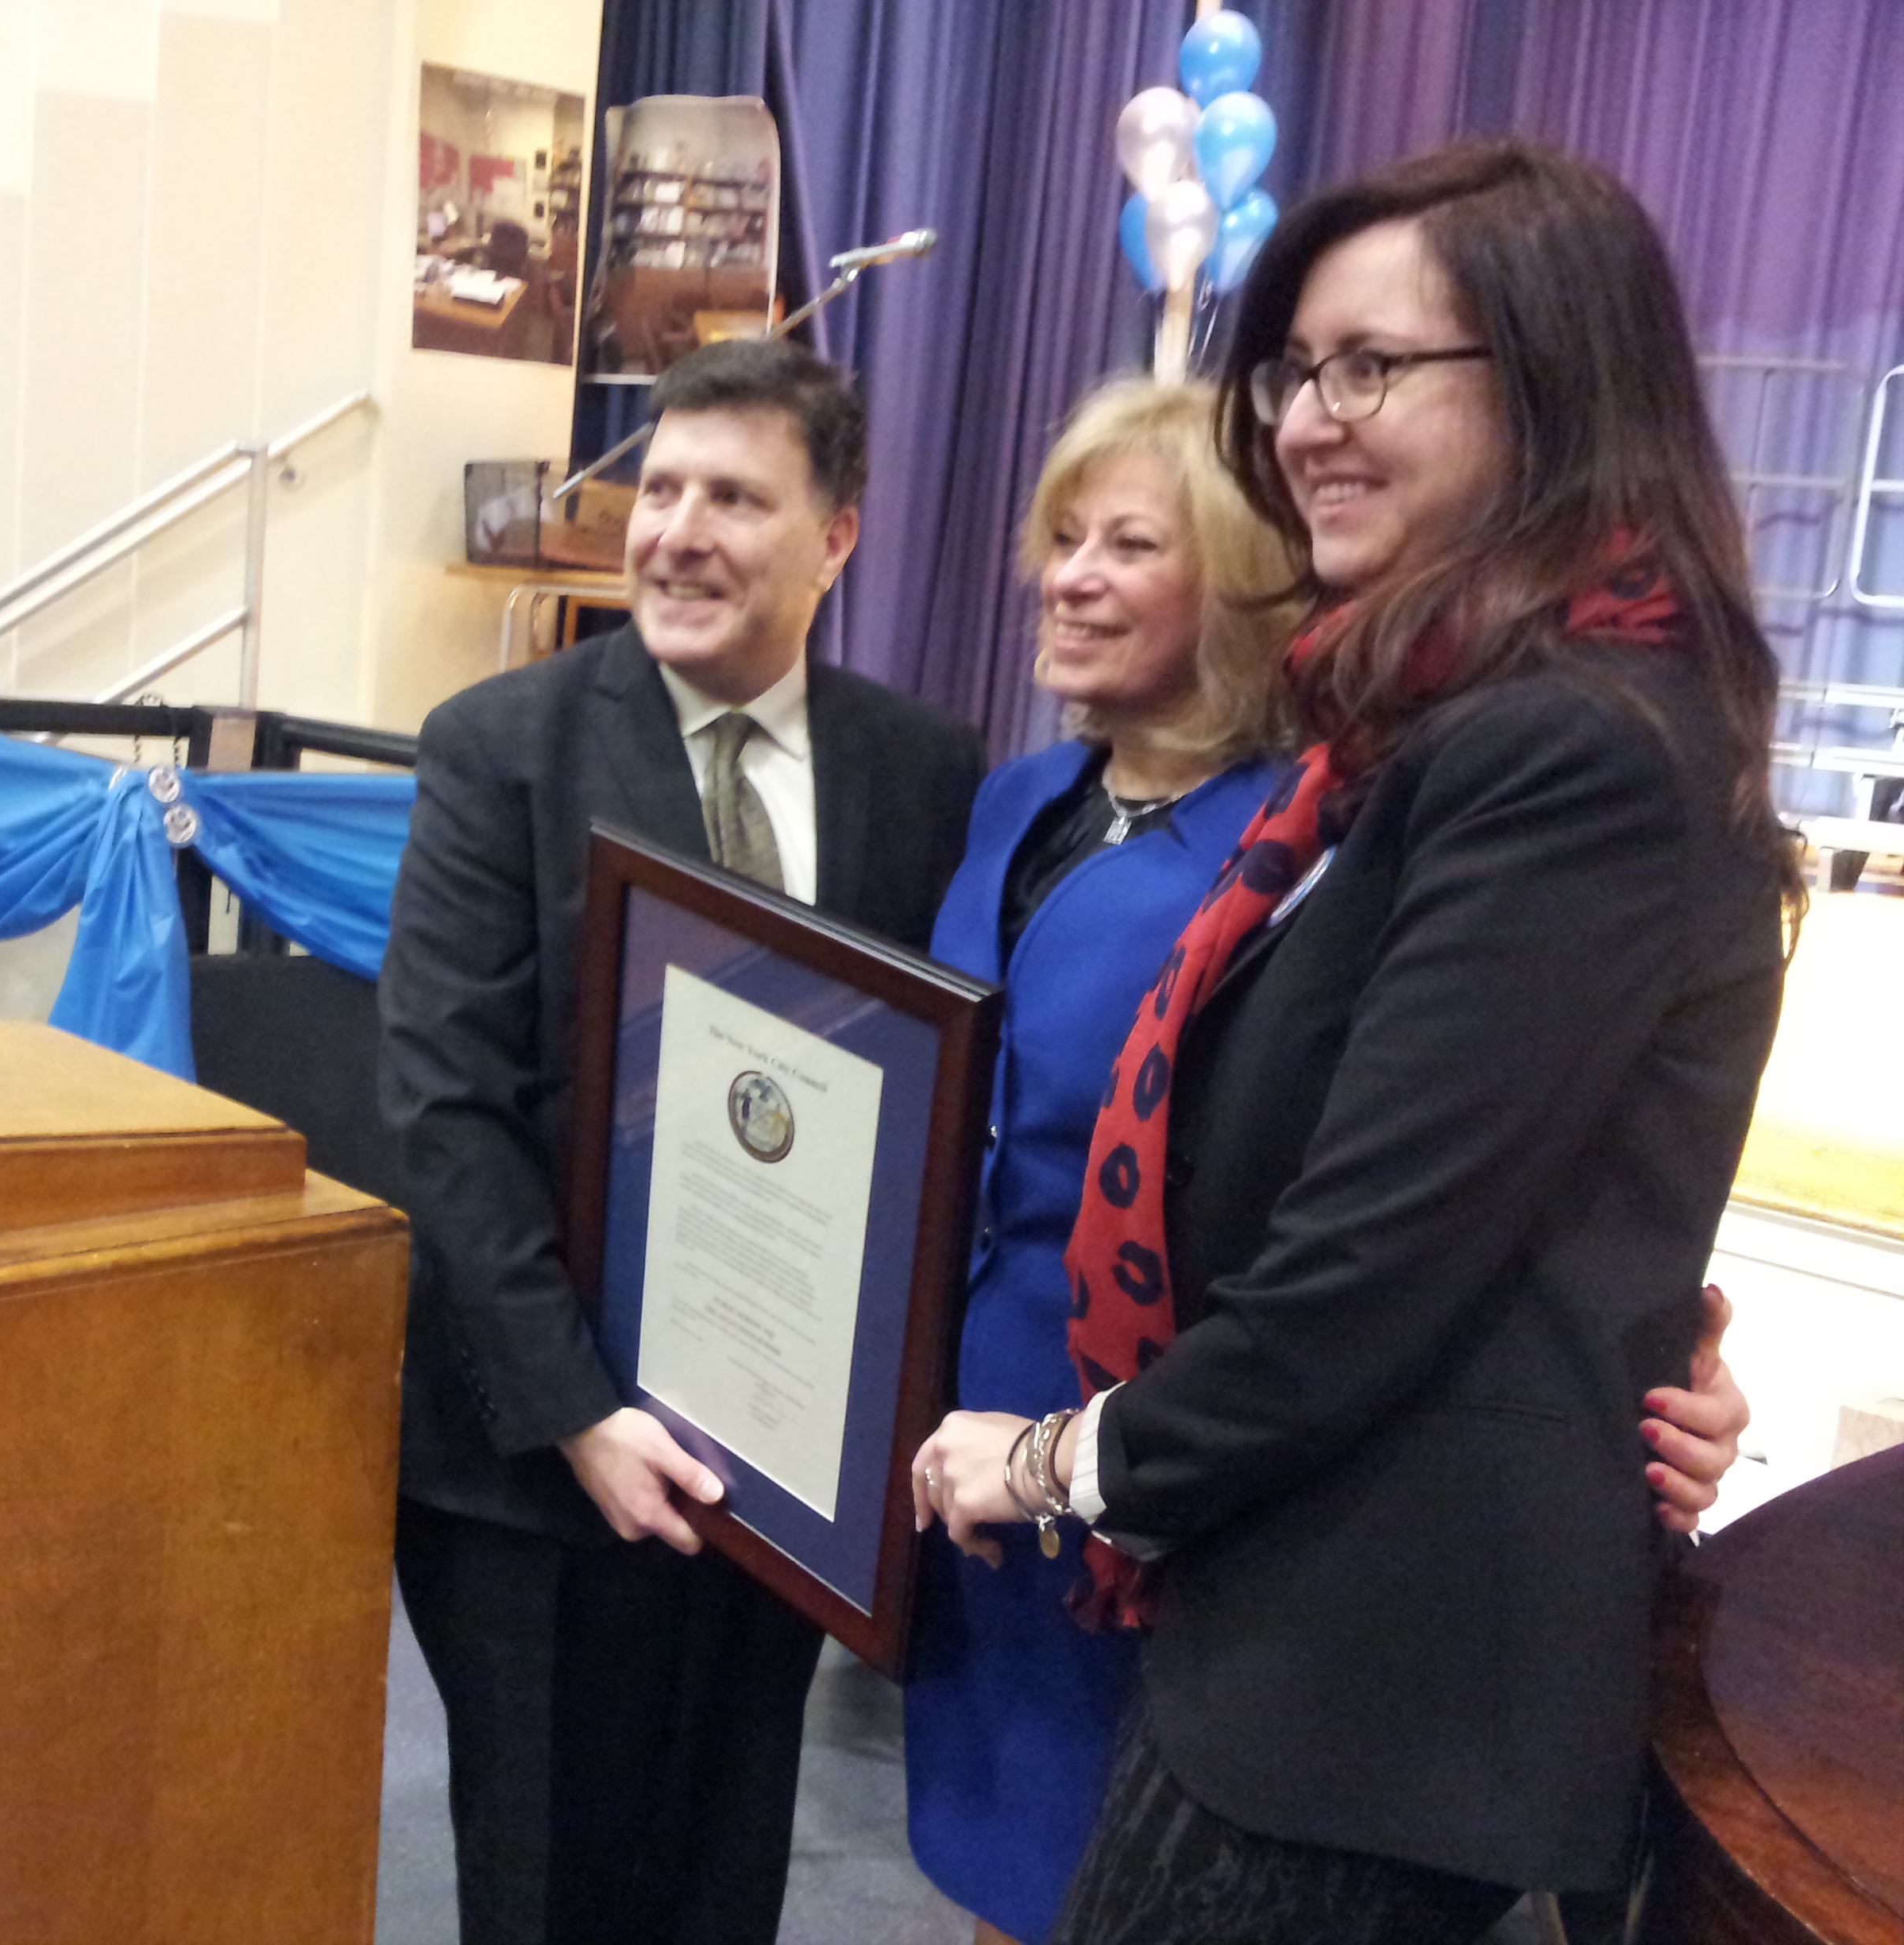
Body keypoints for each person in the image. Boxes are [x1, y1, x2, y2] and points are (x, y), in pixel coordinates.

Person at [924, 141, 1795, 1945]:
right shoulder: (1416, 730)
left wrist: (1053, 1465)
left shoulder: (1567, 747)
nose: (1312, 419)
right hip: (1295, 1620)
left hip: (1373, 1676)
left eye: (1373, 367)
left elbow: (1369, 1266)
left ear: (1555, 384)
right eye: (1299, 371)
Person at [377, 336, 985, 1945]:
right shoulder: (499, 746)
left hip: (785, 1473)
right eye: (661, 489)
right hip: (537, 1468)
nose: (677, 533)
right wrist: (579, 1409)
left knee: (724, 1869)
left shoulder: (927, 774)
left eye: (735, 496)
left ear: (836, 536)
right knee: (550, 1886)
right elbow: (448, 1103)